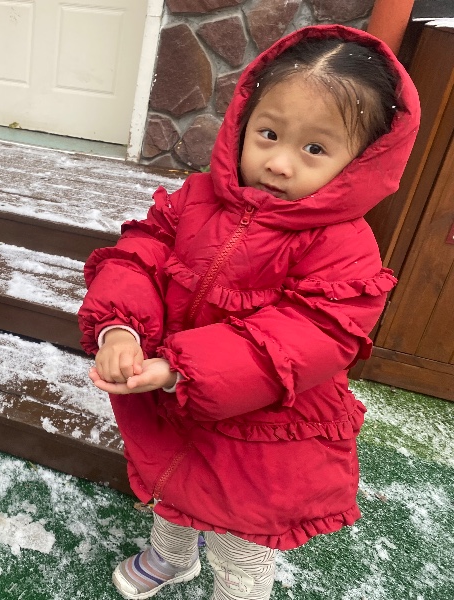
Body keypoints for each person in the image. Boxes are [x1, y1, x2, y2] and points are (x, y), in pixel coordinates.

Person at [78, 25, 419, 600]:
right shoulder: (196, 197)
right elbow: (141, 253)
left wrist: (183, 369)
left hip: (265, 421)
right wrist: (121, 326)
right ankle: (172, 556)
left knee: (241, 529)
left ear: (361, 161)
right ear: (242, 122)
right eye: (269, 134)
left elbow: (309, 334)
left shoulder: (343, 245)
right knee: (170, 480)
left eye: (315, 149)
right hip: (167, 390)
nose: (280, 162)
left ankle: (239, 589)